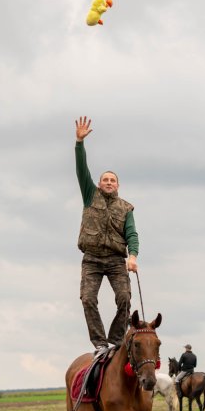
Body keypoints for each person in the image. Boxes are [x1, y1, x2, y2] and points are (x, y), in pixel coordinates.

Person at [74, 116, 140, 354]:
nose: (109, 183)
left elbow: (132, 234)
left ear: (118, 185)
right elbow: (82, 169)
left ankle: (115, 338)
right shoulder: (90, 194)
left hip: (115, 260)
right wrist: (79, 143)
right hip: (91, 259)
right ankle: (100, 342)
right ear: (99, 184)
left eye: (113, 180)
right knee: (88, 298)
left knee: (124, 297)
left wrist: (132, 256)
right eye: (105, 180)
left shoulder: (125, 208)